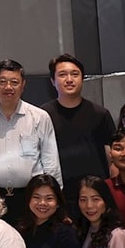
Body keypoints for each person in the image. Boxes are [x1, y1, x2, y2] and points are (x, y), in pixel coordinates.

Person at [0, 60, 61, 226]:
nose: (8, 87)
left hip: (31, 198)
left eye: (14, 82)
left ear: (23, 85)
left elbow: (50, 162)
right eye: (2, 82)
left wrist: (55, 197)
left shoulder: (39, 117)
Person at [41, 55, 115, 186]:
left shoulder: (100, 113)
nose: (69, 80)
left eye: (75, 74)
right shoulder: (43, 115)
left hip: (94, 188)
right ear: (53, 81)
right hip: (57, 188)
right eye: (62, 75)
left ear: (82, 79)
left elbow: (111, 154)